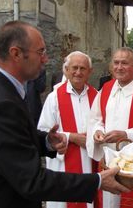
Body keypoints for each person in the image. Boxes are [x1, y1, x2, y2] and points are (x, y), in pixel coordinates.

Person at [0, 20, 129, 208]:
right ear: (16, 54)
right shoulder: (2, 102)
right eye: (40, 52)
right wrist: (96, 181)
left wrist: (46, 141)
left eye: (83, 69)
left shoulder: (3, 89)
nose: (45, 59)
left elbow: (14, 139)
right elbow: (31, 180)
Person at [87, 47, 133, 208]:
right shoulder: (106, 88)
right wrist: (97, 132)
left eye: (124, 63)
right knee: (109, 202)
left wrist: (125, 134)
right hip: (109, 159)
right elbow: (96, 119)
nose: (119, 67)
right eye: (116, 63)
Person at [38, 51, 98, 208]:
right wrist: (72, 137)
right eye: (74, 68)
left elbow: (102, 126)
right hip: (63, 164)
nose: (78, 72)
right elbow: (44, 132)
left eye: (83, 68)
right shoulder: (54, 97)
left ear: (90, 72)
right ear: (66, 70)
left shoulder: (97, 96)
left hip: (89, 161)